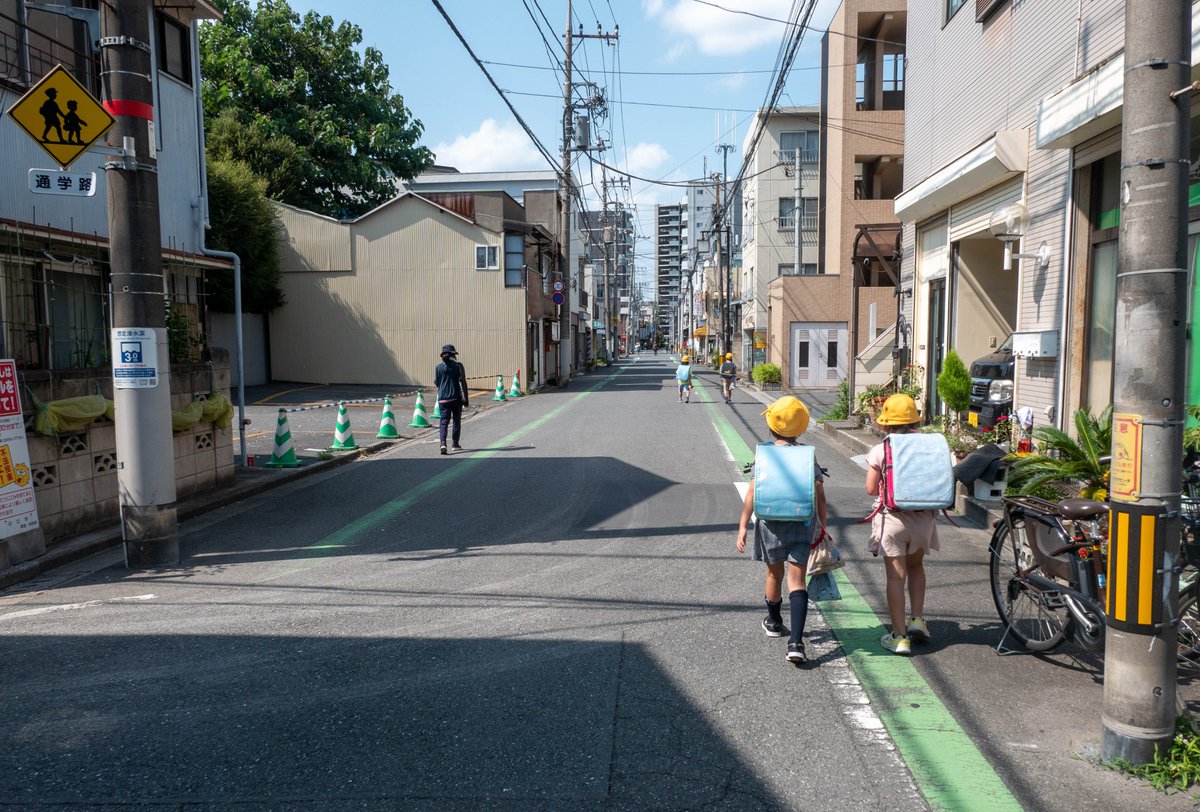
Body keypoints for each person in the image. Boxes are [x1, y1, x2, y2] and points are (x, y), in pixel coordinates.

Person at [736, 396, 827, 664]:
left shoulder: (763, 453)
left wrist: (742, 525)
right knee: (797, 581)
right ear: (801, 427)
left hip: (769, 522)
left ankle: (774, 621)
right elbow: (821, 496)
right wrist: (823, 528)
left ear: (770, 425)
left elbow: (753, 491)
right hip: (803, 522)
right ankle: (796, 643)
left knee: (773, 574)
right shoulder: (808, 455)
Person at [865, 393, 939, 656]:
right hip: (923, 519)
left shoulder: (881, 449)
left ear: (886, 423)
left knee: (895, 576)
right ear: (914, 421)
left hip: (893, 519)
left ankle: (899, 636)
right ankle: (917, 619)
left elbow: (871, 488)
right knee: (916, 566)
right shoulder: (930, 446)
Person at [434, 344, 468, 454]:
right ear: (454, 354)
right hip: (455, 398)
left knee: (444, 422)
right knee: (456, 421)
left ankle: (443, 443)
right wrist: (466, 399)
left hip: (442, 399)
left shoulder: (438, 367)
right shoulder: (458, 366)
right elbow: (462, 382)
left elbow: (437, 383)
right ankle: (455, 444)